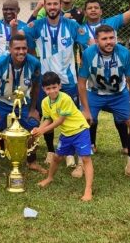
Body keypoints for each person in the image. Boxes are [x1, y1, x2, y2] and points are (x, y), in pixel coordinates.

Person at [24, 0, 89, 174]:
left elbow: (87, 42)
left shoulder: (72, 25)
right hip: (46, 82)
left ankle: (74, 156)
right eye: (49, 4)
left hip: (68, 81)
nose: (52, 7)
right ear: (44, 6)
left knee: (72, 118)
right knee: (48, 114)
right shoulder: (37, 25)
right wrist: (34, 11)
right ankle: (51, 151)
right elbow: (21, 33)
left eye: (55, 4)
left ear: (60, 6)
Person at [80, 0, 130, 158]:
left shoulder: (111, 24)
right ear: (85, 11)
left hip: (116, 83)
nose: (93, 10)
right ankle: (88, 148)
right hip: (94, 81)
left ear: (101, 11)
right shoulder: (78, 29)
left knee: (127, 120)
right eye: (89, 8)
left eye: (96, 7)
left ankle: (129, 152)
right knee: (86, 119)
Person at [78, 25, 130, 183]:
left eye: (111, 38)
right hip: (95, 94)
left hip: (118, 95)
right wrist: (86, 109)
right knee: (82, 122)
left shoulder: (124, 53)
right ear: (96, 40)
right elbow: (81, 83)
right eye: (104, 39)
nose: (109, 42)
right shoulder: (88, 53)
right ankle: (81, 163)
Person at [0, 34, 46, 174]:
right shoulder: (0, 63)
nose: (21, 52)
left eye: (24, 48)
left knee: (33, 127)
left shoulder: (34, 63)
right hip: (1, 100)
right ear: (10, 49)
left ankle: (31, 161)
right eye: (17, 48)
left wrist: (33, 109)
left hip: (22, 101)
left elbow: (36, 85)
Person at [34, 72, 94, 202]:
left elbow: (59, 121)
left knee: (86, 159)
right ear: (43, 89)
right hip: (66, 134)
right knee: (56, 157)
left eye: (54, 87)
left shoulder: (65, 98)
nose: (52, 91)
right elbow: (48, 119)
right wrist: (38, 129)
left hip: (80, 130)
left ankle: (88, 190)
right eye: (48, 88)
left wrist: (42, 130)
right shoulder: (45, 102)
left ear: (60, 86)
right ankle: (49, 178)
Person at [0, 0, 27, 66]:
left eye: (11, 9)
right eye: (5, 9)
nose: (8, 12)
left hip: (18, 68)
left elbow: (29, 51)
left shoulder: (25, 27)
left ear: (18, 10)